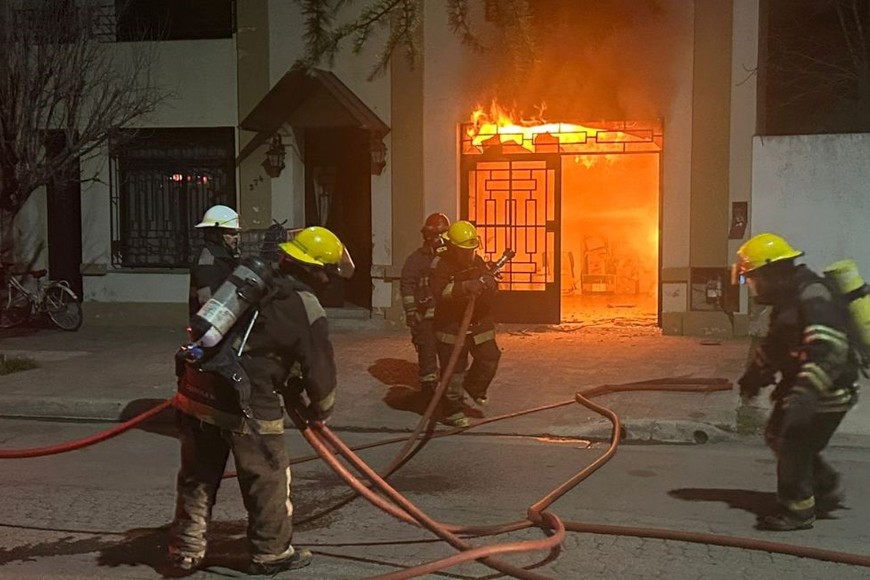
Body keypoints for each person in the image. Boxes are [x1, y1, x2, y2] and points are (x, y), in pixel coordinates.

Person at [168, 225, 353, 574]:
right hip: (247, 401)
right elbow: (320, 369)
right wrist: (321, 410)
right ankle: (271, 553)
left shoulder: (251, 282)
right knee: (268, 478)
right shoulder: (304, 304)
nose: (329, 280)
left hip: (200, 388)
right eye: (327, 272)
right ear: (315, 270)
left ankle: (185, 550)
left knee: (197, 477)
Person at [733, 232, 858, 531]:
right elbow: (777, 344)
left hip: (827, 391)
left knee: (793, 445)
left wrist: (805, 393)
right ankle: (823, 483)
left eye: (752, 278)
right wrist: (754, 377)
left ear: (770, 273)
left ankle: (797, 512)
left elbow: (828, 348)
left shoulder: (812, 294)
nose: (751, 285)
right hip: (806, 388)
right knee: (777, 434)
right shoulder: (788, 298)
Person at [428, 220, 501, 427]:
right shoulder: (440, 264)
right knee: (454, 371)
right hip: (451, 326)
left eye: (471, 249)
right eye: (464, 250)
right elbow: (439, 292)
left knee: (490, 357)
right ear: (452, 247)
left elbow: (486, 279)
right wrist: (465, 286)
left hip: (478, 323)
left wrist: (490, 283)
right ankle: (453, 411)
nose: (468, 254)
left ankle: (475, 386)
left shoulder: (476, 260)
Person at [400, 212, 450, 395]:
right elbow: (407, 285)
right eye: (435, 235)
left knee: (449, 353)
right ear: (427, 236)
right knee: (427, 351)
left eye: (442, 234)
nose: (439, 239)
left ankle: (449, 388)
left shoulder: (452, 258)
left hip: (448, 316)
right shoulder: (416, 259)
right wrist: (411, 311)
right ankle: (428, 391)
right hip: (425, 316)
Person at [189, 204, 242, 317]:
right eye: (231, 233)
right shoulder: (207, 260)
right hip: (215, 322)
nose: (236, 237)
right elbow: (206, 300)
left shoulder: (226, 257)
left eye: (237, 233)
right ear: (215, 233)